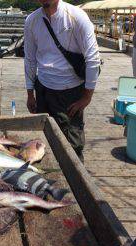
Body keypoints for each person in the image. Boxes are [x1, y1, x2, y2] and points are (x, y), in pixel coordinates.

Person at [24, 0, 100, 162]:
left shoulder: (76, 17)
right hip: (43, 88)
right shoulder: (32, 20)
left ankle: (77, 184)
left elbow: (93, 59)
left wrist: (86, 97)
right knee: (47, 141)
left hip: (71, 91)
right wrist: (30, 93)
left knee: (73, 145)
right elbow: (30, 59)